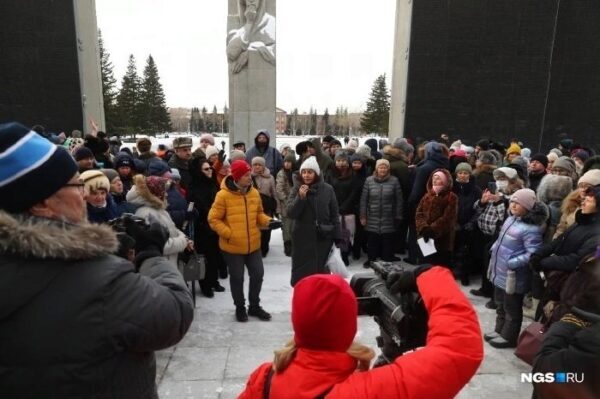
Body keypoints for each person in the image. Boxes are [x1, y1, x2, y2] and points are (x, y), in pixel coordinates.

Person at [0, 122, 193, 397]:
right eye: (77, 185)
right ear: (41, 203)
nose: (84, 194)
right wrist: (151, 255)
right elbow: (174, 315)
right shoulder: (98, 281)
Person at [238, 267, 483, 398]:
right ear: (349, 325)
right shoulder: (364, 391)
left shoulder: (265, 378)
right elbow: (458, 350)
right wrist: (429, 276)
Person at [208, 160, 276, 322]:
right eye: (246, 175)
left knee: (258, 274)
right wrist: (228, 233)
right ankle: (240, 307)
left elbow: (259, 214)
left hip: (253, 244)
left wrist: (268, 221)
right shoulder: (223, 195)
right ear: (237, 177)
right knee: (237, 278)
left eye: (249, 174)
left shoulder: (253, 193)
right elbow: (213, 219)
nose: (249, 178)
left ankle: (254, 306)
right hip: (232, 247)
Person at [486, 189, 547, 348]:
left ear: (527, 207)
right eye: (512, 201)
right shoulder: (510, 219)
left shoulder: (531, 228)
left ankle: (509, 336)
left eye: (518, 203)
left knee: (511, 307)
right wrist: (495, 247)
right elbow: (502, 239)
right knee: (500, 303)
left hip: (514, 275)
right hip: (499, 270)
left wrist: (514, 262)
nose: (513, 205)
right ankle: (499, 330)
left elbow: (533, 252)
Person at [287, 156, 341, 286]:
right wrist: (300, 198)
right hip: (302, 238)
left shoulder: (327, 189)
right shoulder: (297, 188)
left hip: (323, 236)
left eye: (310, 172)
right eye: (304, 172)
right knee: (303, 273)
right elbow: (291, 213)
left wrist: (337, 236)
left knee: (321, 271)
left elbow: (334, 214)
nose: (306, 175)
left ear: (316, 173)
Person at [126, 175, 193, 266]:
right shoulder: (146, 214)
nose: (166, 194)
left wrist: (184, 238)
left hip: (168, 264)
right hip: (158, 267)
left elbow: (172, 229)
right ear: (156, 193)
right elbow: (159, 244)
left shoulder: (159, 210)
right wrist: (183, 242)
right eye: (163, 191)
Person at [188, 157, 227, 297]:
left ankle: (214, 281)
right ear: (199, 171)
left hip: (215, 225)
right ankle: (205, 285)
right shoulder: (194, 187)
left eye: (210, 168)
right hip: (203, 227)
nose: (210, 170)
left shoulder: (212, 183)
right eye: (206, 169)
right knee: (206, 256)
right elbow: (198, 207)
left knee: (216, 255)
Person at [360, 159, 403, 266]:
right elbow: (364, 200)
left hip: (388, 216)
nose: (382, 169)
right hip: (372, 216)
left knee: (387, 240)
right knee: (372, 241)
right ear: (376, 168)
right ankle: (371, 259)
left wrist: (398, 215)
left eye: (385, 167)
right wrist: (363, 216)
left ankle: (387, 259)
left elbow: (399, 200)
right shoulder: (369, 180)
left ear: (388, 169)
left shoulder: (394, 181)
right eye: (380, 167)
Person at [415, 169, 458, 267]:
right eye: (433, 178)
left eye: (438, 178)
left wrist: (433, 229)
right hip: (425, 236)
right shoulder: (427, 195)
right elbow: (419, 213)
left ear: (445, 181)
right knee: (426, 264)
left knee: (439, 265)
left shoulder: (451, 197)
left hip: (442, 238)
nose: (435, 180)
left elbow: (448, 217)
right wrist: (424, 228)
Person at [452, 162, 482, 285]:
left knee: (467, 252)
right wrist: (454, 222)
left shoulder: (476, 190)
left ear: (469, 174)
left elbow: (480, 208)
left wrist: (472, 222)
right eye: (460, 173)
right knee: (453, 249)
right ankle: (453, 272)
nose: (463, 175)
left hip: (470, 225)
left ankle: (465, 274)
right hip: (455, 225)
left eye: (465, 173)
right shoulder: (451, 187)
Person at [226, 0, 275, 73]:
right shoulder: (236, 24)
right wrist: (249, 23)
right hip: (241, 81)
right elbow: (231, 53)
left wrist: (250, 53)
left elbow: (275, 52)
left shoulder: (271, 21)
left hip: (263, 77)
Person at [251, 156, 277, 257]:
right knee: (256, 229)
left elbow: (274, 193)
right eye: (255, 165)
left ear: (263, 166)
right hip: (253, 207)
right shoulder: (248, 176)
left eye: (259, 165)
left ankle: (264, 248)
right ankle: (256, 249)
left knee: (266, 228)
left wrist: (277, 207)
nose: (257, 167)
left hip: (267, 207)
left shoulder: (270, 177)